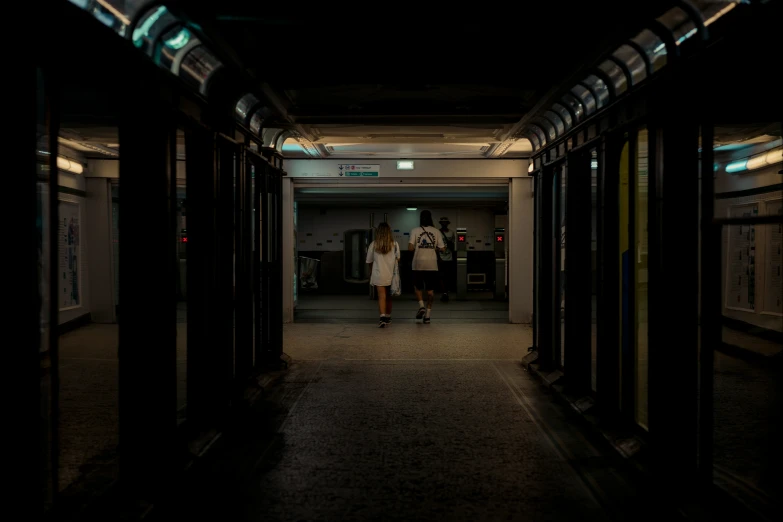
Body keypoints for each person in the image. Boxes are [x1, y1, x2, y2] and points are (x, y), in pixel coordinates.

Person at [409, 210, 445, 324]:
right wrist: (435, 248)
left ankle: (421, 306)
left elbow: (410, 248)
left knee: (417, 287)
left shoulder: (415, 230)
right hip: (432, 264)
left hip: (418, 264)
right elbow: (443, 248)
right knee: (430, 291)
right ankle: (428, 316)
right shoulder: (436, 231)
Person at [366, 222, 400, 328]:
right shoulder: (394, 244)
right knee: (389, 297)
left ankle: (382, 318)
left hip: (378, 273)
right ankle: (388, 316)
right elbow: (398, 259)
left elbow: (369, 261)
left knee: (381, 296)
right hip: (391, 274)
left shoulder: (373, 244)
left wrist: (371, 272)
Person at [437, 216, 456, 302]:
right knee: (441, 275)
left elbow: (453, 244)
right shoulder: (438, 232)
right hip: (441, 257)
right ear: (441, 223)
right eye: (442, 222)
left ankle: (446, 292)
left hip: (449, 257)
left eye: (445, 222)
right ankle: (444, 292)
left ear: (447, 224)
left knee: (447, 276)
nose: (444, 224)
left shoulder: (451, 233)